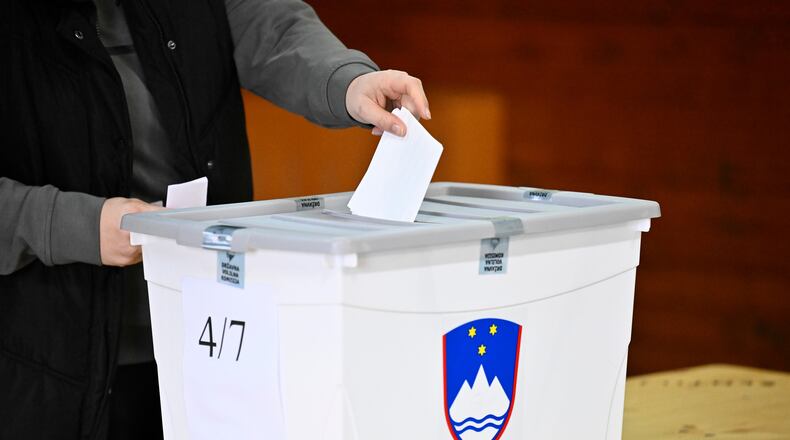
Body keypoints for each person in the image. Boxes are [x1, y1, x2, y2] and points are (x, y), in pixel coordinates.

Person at [0, 0, 430, 438]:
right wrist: (68, 225)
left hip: (210, 337)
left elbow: (270, 25)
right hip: (44, 361)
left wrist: (347, 81)